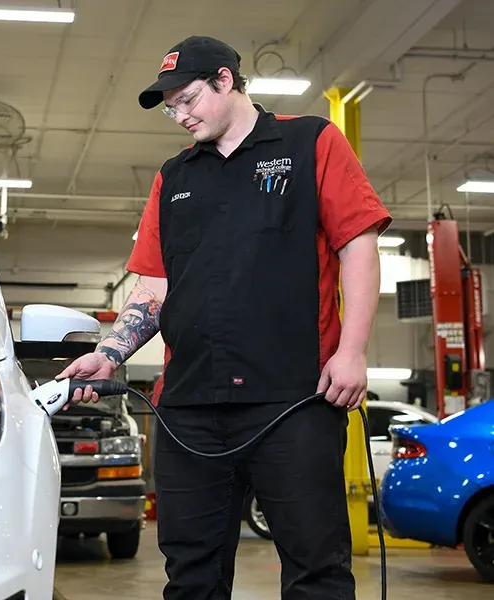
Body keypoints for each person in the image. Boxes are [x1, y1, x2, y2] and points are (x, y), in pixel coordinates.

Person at [56, 35, 392, 600]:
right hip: (189, 408)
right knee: (192, 577)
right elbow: (155, 283)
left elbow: (358, 244)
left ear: (224, 80)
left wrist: (352, 351)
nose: (179, 115)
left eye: (187, 99)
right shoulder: (174, 177)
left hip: (295, 399)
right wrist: (110, 353)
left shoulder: (311, 140)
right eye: (170, 109)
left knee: (316, 572)